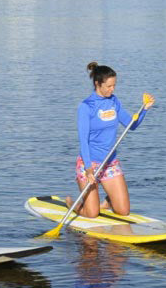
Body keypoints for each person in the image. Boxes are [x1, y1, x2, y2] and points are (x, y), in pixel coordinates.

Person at [65, 62, 155, 218]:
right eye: (108, 86)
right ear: (97, 84)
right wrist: (88, 169)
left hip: (109, 163)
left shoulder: (114, 101)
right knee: (92, 213)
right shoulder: (86, 107)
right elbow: (83, 140)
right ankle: (75, 205)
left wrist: (144, 110)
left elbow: (131, 125)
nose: (112, 89)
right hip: (90, 164)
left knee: (123, 211)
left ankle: (108, 201)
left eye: (114, 85)